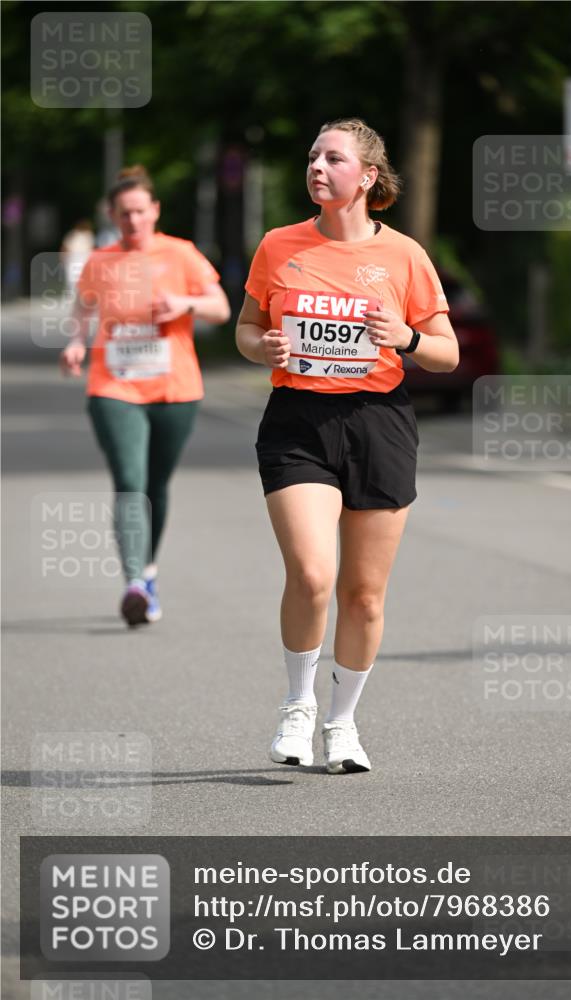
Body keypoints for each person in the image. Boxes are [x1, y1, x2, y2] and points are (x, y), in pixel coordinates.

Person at [236, 118, 459, 773]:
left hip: (377, 422)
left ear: (364, 177)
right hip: (298, 420)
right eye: (312, 156)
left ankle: (342, 723)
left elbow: (444, 354)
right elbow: (247, 330)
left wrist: (405, 336)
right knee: (311, 574)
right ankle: (298, 707)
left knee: (363, 596)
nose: (316, 167)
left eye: (332, 159)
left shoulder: (405, 256)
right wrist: (262, 347)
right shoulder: (278, 246)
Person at [60, 165, 231, 626]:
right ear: (113, 216)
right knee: (130, 480)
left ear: (154, 210)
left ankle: (149, 572)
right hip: (114, 385)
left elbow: (220, 308)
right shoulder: (100, 261)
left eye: (140, 211)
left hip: (176, 388)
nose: (133, 220)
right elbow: (82, 308)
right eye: (124, 213)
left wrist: (185, 304)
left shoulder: (182, 254)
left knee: (156, 484)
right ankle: (134, 581)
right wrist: (77, 341)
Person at [60, 220, 94, 301]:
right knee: (72, 277)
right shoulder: (73, 234)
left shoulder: (88, 235)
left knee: (78, 276)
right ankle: (72, 294)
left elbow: (91, 248)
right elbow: (66, 247)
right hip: (73, 257)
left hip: (83, 257)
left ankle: (79, 294)